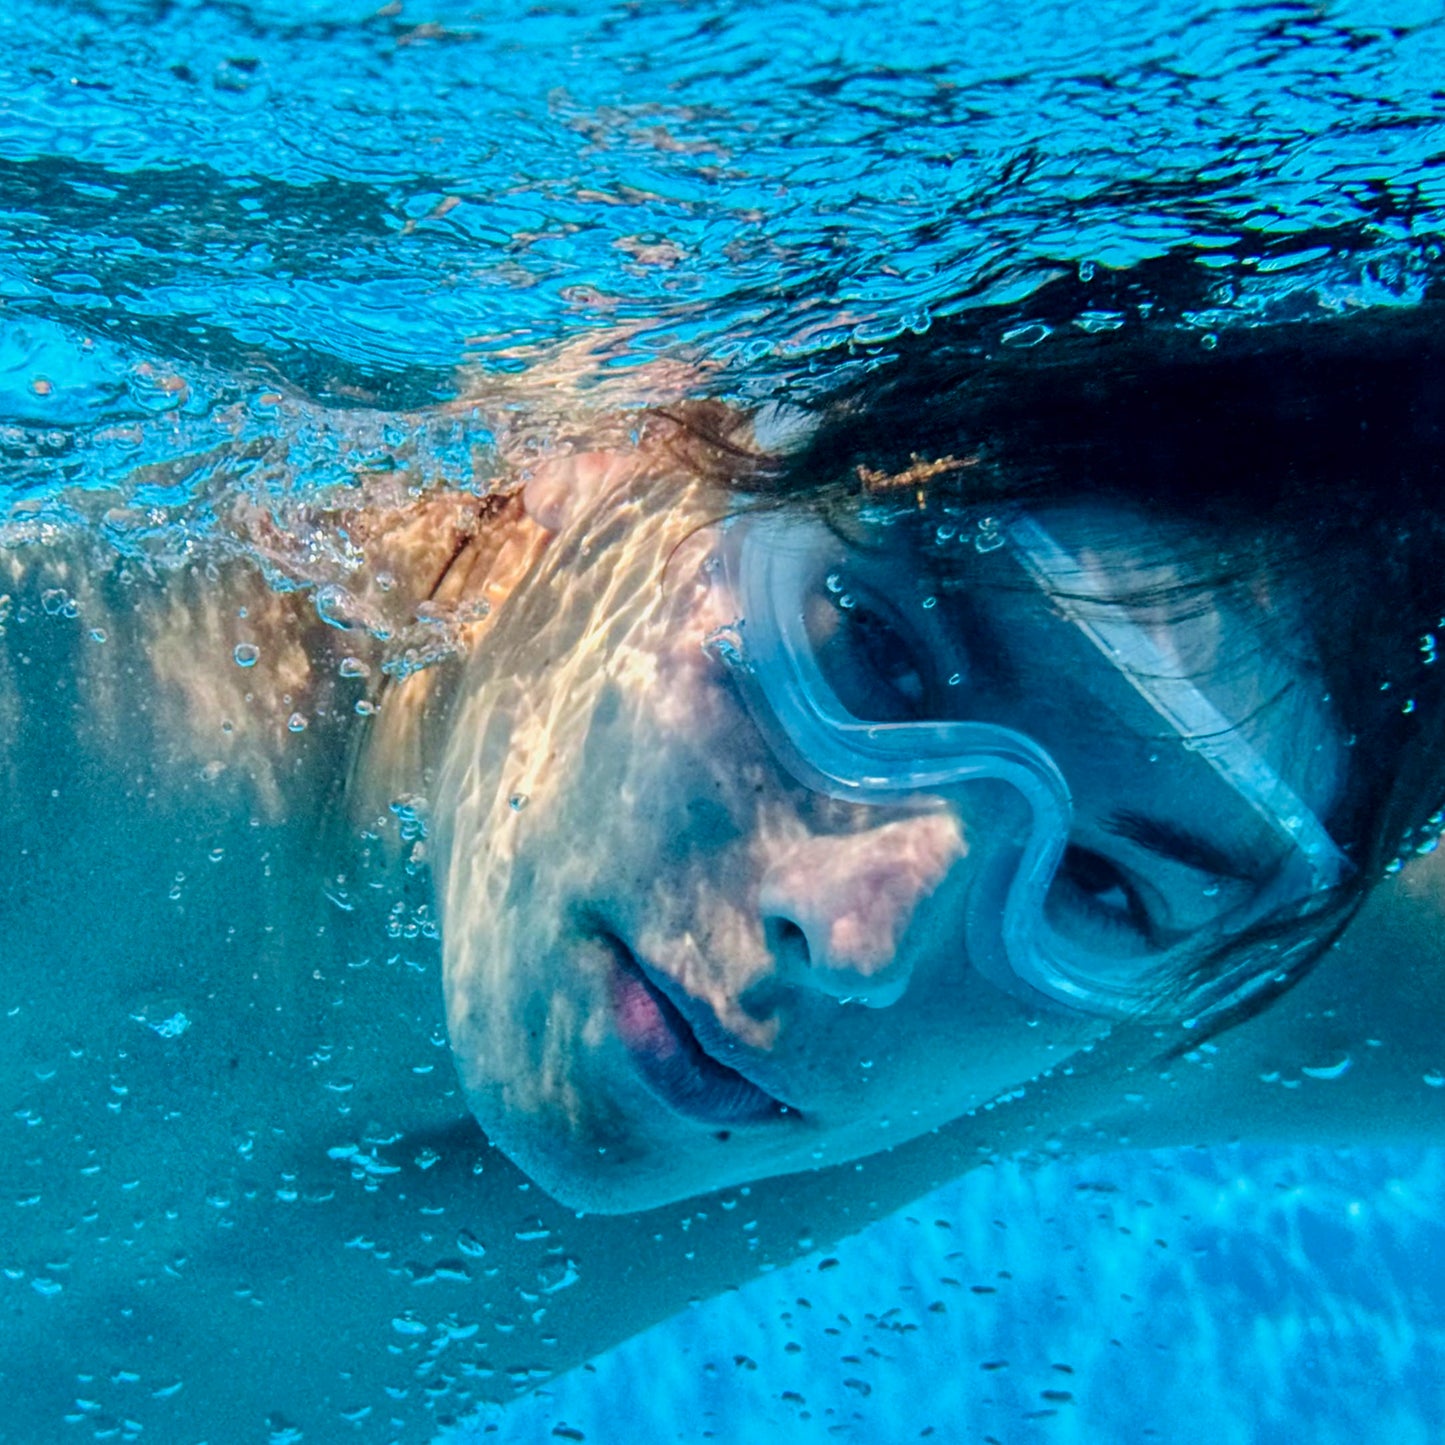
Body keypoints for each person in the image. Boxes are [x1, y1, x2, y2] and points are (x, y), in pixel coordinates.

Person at [3, 277, 1444, 1441]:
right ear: (615, 441)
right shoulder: (67, 714)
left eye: (1099, 885)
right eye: (875, 654)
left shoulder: (1118, 1013)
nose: (865, 943)